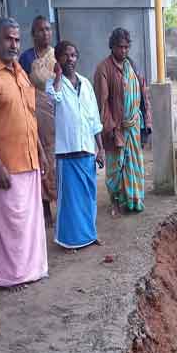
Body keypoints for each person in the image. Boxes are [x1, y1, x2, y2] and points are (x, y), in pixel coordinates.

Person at [0, 17, 48, 289]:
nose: (13, 44)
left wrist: (39, 150)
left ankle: (30, 270)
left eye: (17, 39)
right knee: (9, 225)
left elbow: (29, 115)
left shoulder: (21, 72)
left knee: (28, 222)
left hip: (28, 159)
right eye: (8, 38)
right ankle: (7, 276)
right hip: (5, 164)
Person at [46, 40, 104, 249]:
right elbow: (54, 98)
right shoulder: (53, 84)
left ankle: (90, 234)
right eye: (65, 56)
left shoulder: (86, 84)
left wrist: (101, 148)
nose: (69, 59)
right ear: (58, 59)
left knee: (89, 196)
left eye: (73, 55)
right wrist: (58, 76)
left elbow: (94, 118)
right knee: (69, 201)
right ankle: (68, 240)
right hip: (67, 151)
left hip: (87, 149)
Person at [93, 28, 152, 216]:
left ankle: (133, 200)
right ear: (112, 46)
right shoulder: (104, 69)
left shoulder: (132, 66)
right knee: (115, 168)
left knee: (133, 165)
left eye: (127, 47)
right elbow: (103, 102)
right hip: (116, 127)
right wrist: (110, 128)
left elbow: (143, 96)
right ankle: (115, 201)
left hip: (134, 126)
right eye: (120, 47)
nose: (124, 51)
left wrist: (147, 123)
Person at [24, 17, 57, 227]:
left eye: (47, 29)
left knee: (58, 160)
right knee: (41, 159)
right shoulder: (26, 58)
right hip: (36, 113)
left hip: (56, 113)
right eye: (40, 30)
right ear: (33, 34)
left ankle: (61, 207)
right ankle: (44, 210)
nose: (45, 33)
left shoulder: (57, 55)